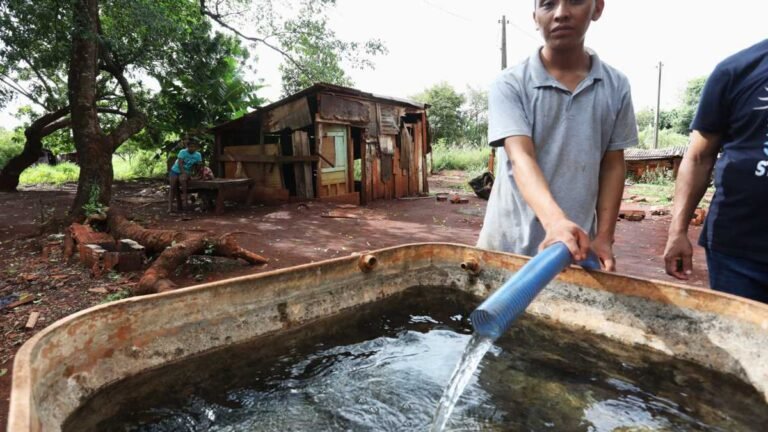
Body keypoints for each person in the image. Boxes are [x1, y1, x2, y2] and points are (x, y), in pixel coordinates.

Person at [476, 0, 638, 271]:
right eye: (548, 4)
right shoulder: (510, 84)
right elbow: (521, 157)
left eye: (574, 1)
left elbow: (612, 165)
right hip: (506, 248)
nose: (561, 13)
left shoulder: (616, 85)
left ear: (597, 8)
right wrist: (555, 224)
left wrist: (605, 238)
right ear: (535, 17)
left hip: (575, 250)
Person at [663, 39, 768, 303]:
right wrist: (677, 231)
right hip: (739, 255)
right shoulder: (735, 71)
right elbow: (698, 156)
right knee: (739, 341)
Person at [168, 138, 203, 213]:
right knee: (172, 187)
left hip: (187, 171)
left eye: (194, 147)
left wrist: (196, 174)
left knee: (183, 181)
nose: (192, 148)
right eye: (190, 147)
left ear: (196, 147)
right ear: (187, 147)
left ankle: (185, 202)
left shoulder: (198, 155)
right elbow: (180, 164)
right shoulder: (182, 152)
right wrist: (183, 173)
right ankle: (170, 207)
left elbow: (199, 166)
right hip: (175, 170)